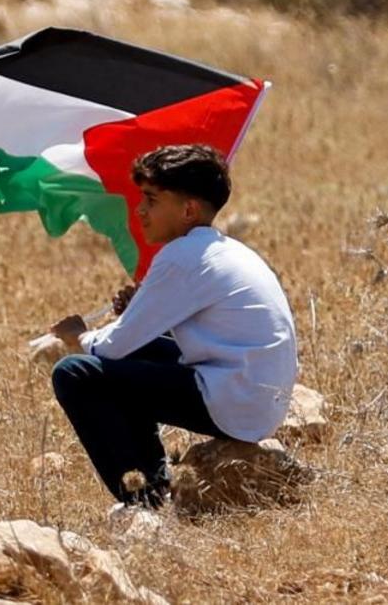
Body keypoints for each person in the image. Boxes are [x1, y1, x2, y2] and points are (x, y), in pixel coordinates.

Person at [49, 143, 298, 508]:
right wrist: (139, 310)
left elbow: (112, 347)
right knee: (135, 355)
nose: (140, 209)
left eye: (151, 199)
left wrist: (79, 335)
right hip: (256, 399)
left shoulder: (182, 256)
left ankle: (143, 499)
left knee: (75, 373)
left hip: (234, 400)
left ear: (188, 210)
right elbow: (159, 333)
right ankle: (153, 481)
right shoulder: (223, 249)